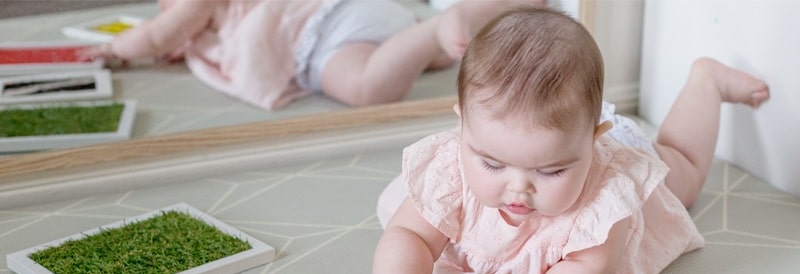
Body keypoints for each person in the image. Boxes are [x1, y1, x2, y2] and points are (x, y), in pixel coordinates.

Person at [331, 5, 770, 274]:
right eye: (491, 163)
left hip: (615, 190)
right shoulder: (450, 172)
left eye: (551, 172)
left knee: (683, 174)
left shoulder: (604, 200)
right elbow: (409, 238)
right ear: (462, 125)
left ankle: (705, 84)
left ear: (594, 141)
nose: (518, 189)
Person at [81, 0, 544, 109]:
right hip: (362, 11)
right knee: (430, 54)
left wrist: (117, 47)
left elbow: (155, 38)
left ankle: (439, 31)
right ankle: (513, 6)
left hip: (327, 38)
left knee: (363, 85)